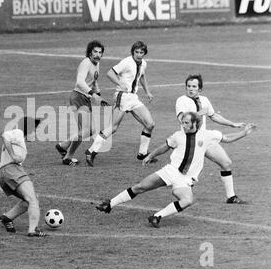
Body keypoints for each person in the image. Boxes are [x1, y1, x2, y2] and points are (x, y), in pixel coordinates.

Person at [95, 112, 256, 228]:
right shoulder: (178, 135)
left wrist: (244, 132)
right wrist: (150, 155)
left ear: (195, 124)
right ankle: (110, 204)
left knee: (187, 200)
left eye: (186, 122)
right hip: (170, 171)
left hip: (185, 180)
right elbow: (165, 147)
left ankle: (157, 216)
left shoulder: (208, 135)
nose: (183, 125)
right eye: (183, 122)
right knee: (140, 187)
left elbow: (227, 138)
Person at [175, 74, 247, 204]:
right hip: (191, 141)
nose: (191, 89)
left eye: (194, 86)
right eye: (188, 86)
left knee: (226, 163)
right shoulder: (181, 101)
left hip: (205, 139)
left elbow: (213, 116)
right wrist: (199, 114)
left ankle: (231, 197)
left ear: (200, 89)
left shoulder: (204, 100)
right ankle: (183, 198)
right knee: (190, 174)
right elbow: (182, 120)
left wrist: (232, 124)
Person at [85, 41, 155, 166]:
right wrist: (119, 83)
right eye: (136, 52)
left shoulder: (143, 63)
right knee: (113, 127)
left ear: (145, 53)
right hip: (122, 97)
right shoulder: (127, 62)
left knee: (150, 124)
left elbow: (142, 76)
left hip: (133, 98)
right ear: (132, 52)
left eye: (141, 52)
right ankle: (91, 151)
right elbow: (110, 73)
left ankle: (142, 153)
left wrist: (148, 92)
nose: (139, 55)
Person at [55, 40, 109, 166]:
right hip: (79, 97)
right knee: (86, 130)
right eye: (95, 52)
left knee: (88, 130)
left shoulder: (96, 63)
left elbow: (94, 80)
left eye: (100, 52)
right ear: (90, 53)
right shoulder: (86, 62)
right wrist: (93, 93)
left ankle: (67, 154)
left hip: (85, 98)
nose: (98, 54)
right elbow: (80, 82)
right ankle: (63, 146)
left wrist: (99, 95)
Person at [0, 116, 47, 237]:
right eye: (34, 129)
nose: (35, 132)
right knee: (33, 200)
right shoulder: (18, 132)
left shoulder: (19, 138)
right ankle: (33, 230)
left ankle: (7, 217)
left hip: (5, 173)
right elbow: (5, 136)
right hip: (12, 170)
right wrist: (13, 155)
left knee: (29, 200)